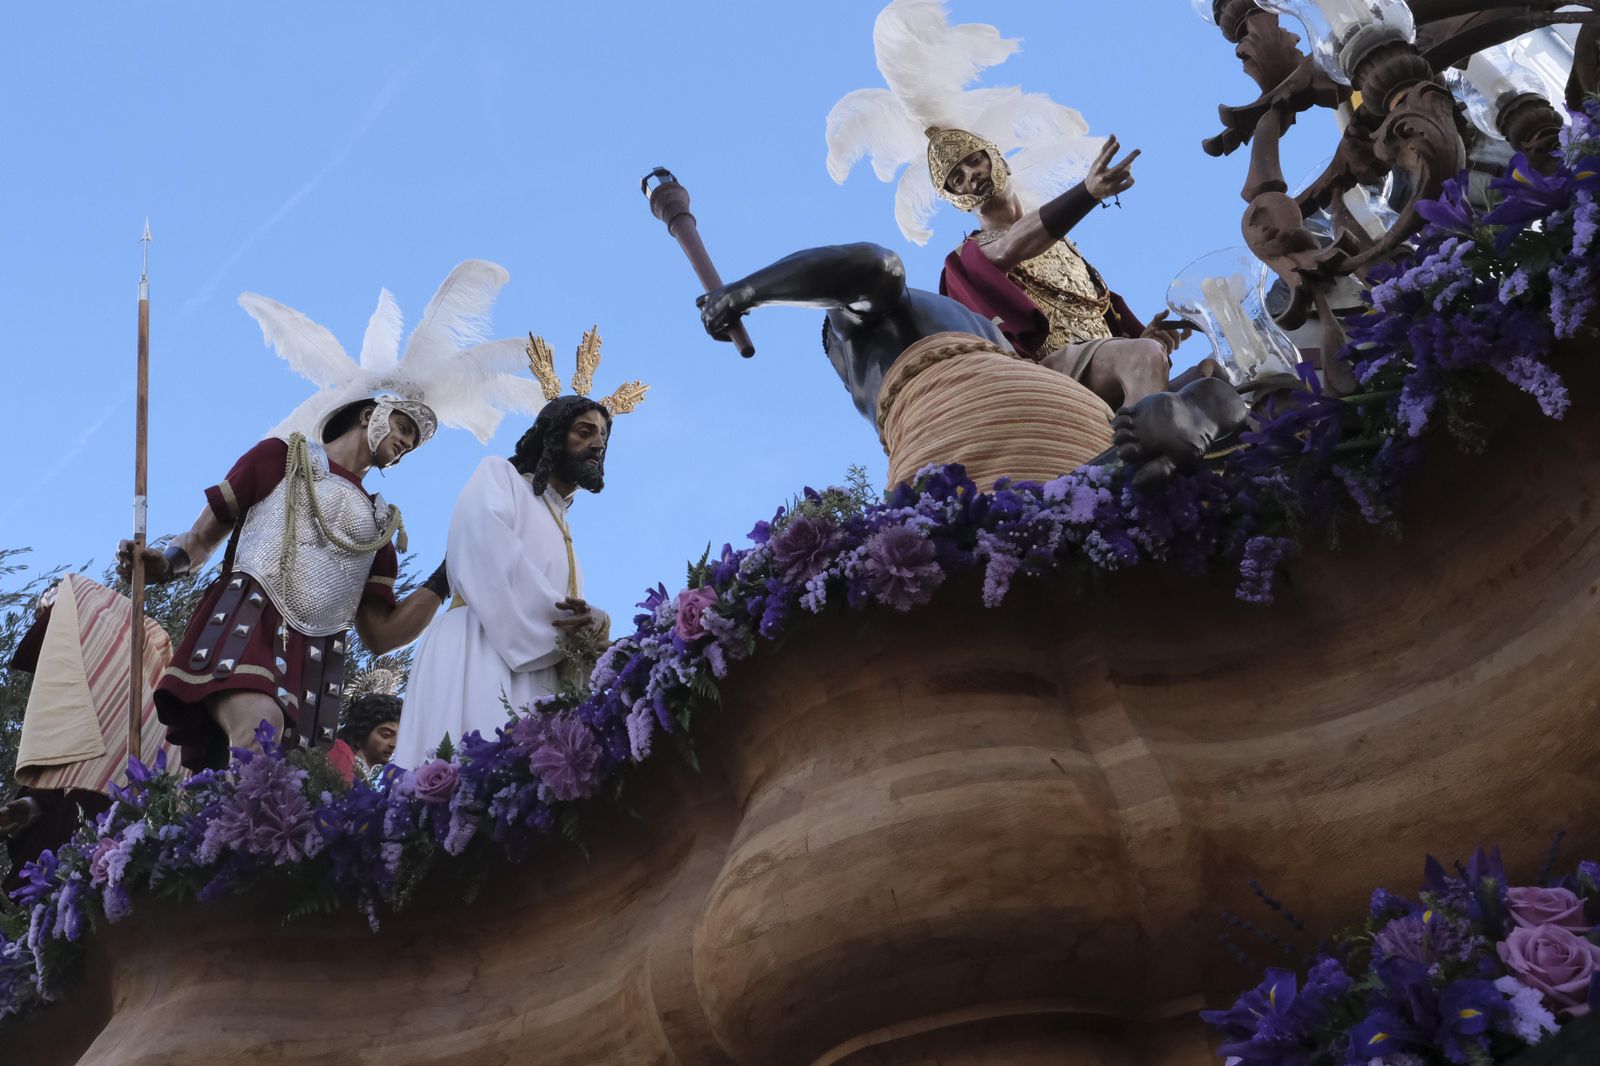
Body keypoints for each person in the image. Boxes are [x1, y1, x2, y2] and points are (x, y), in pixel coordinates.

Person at [117, 260, 544, 771]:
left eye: (414, 440)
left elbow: (381, 634)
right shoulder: (279, 458)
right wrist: (165, 564)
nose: (406, 443)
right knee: (259, 737)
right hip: (248, 625)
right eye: (403, 426)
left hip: (313, 662)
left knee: (286, 785)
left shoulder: (378, 527)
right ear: (370, 413)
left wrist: (451, 570)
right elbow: (202, 538)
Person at [395, 329, 646, 768]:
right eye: (585, 431)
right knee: (472, 763)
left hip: (539, 662)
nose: (598, 444)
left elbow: (568, 615)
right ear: (554, 436)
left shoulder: (560, 521)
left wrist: (593, 625)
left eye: (603, 437)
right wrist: (577, 629)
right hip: (481, 646)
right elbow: (489, 558)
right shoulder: (501, 477)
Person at [329, 692, 403, 782]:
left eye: (398, 739)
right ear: (363, 730)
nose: (393, 745)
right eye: (386, 735)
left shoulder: (360, 773)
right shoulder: (339, 756)